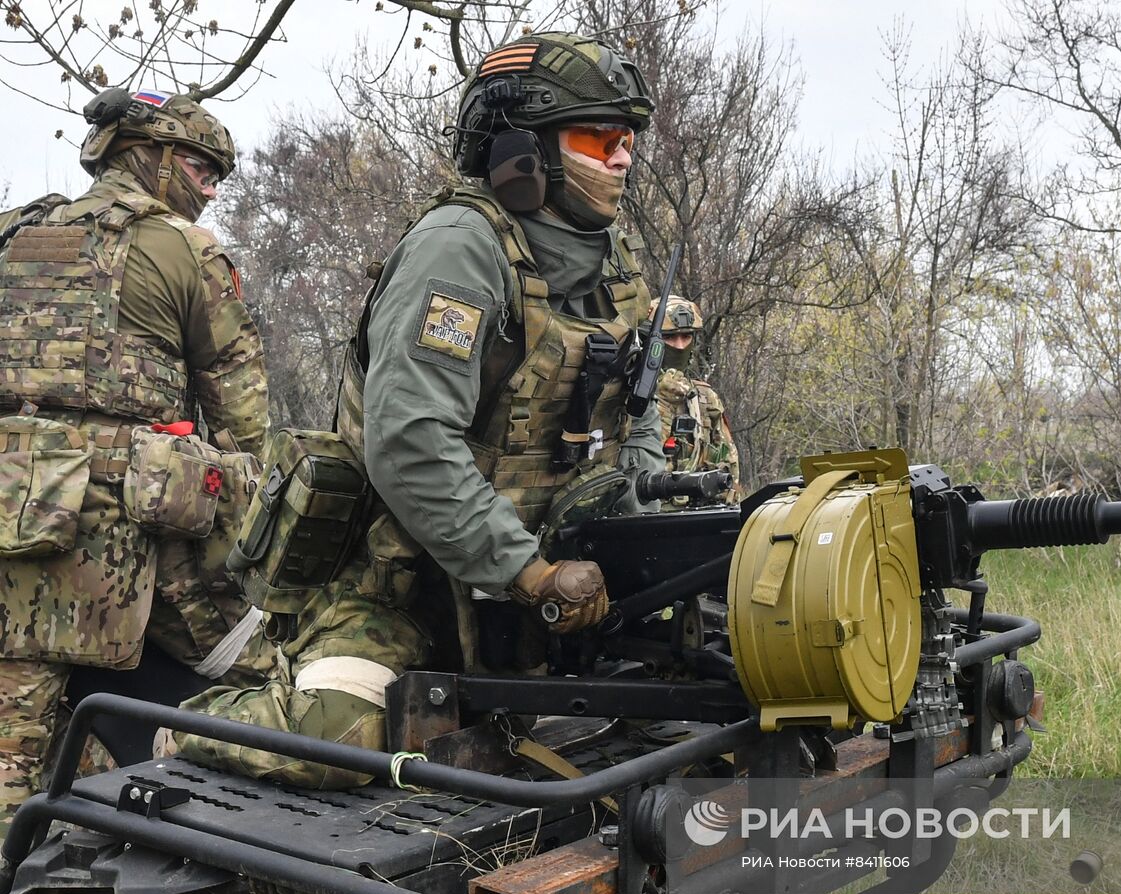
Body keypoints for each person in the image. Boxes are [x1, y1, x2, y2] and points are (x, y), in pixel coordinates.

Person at [171, 32, 665, 786]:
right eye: (600, 137)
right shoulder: (460, 250)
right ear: (523, 152)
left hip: (532, 599)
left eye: (626, 139)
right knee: (338, 741)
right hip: (396, 589)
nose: (623, 157)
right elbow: (410, 443)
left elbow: (637, 416)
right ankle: (177, 735)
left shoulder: (609, 263)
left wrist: (634, 537)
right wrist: (532, 575)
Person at [0, 88, 269, 829]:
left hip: (10, 527)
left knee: (11, 757)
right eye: (201, 168)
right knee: (254, 685)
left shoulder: (9, 234)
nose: (209, 189)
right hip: (132, 537)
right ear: (146, 158)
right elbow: (245, 420)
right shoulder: (187, 249)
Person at [653, 296, 742, 502]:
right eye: (669, 337)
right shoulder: (627, 397)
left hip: (699, 517)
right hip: (647, 519)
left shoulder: (704, 398)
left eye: (686, 336)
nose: (679, 345)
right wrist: (661, 403)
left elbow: (729, 468)